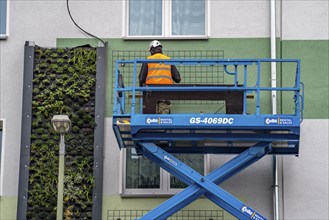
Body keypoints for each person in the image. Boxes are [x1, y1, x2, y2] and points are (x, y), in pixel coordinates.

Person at [139, 40, 181, 114]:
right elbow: (177, 78)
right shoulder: (168, 60)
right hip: (166, 91)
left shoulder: (148, 60)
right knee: (163, 117)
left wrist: (141, 86)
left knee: (151, 117)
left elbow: (141, 78)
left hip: (150, 92)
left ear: (152, 50)